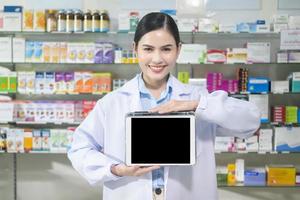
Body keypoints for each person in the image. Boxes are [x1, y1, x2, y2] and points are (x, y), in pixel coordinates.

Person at [68, 12, 260, 200]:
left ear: (178, 49)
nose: (157, 59)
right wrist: (117, 169)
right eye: (148, 49)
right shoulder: (112, 103)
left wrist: (196, 105)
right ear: (135, 49)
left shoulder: (197, 98)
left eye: (166, 49)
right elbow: (79, 149)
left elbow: (250, 121)